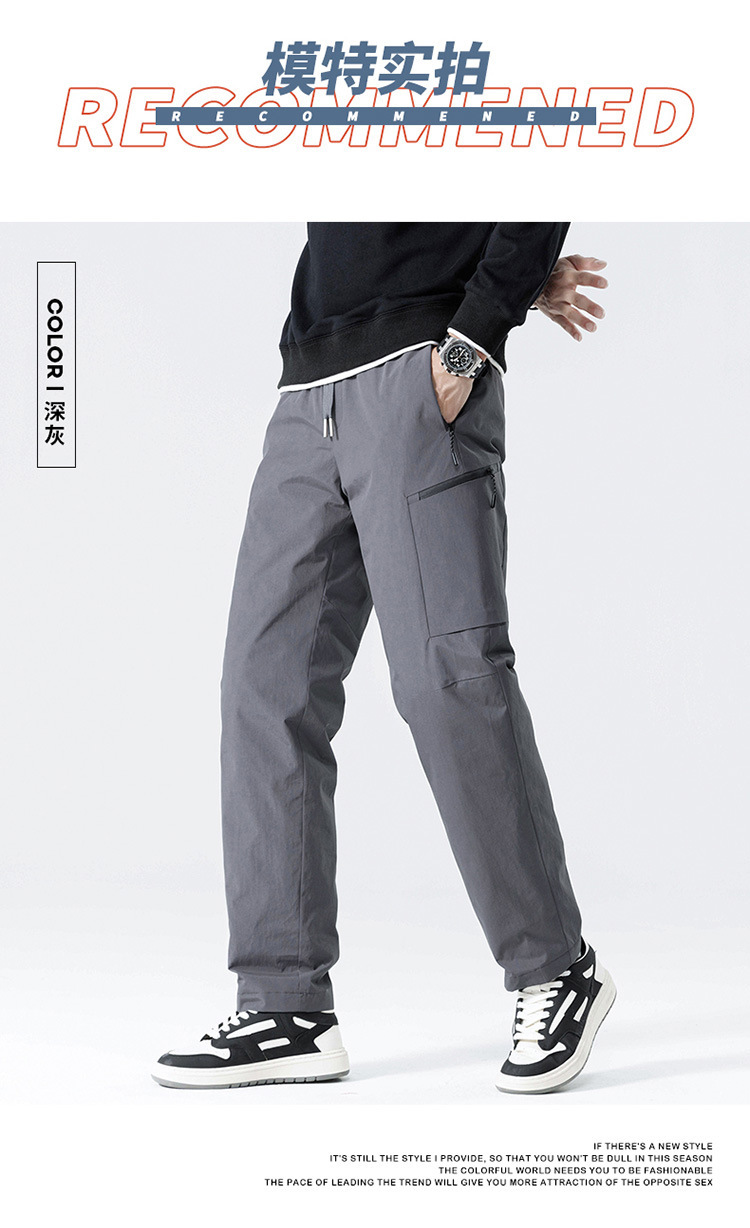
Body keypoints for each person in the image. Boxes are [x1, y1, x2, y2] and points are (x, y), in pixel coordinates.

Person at [152, 224, 615, 1095]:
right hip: (307, 390)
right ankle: (286, 1004)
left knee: (450, 679)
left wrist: (480, 326)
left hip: (422, 372)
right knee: (263, 690)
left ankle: (556, 969)